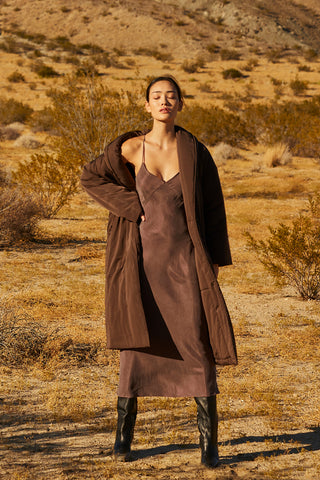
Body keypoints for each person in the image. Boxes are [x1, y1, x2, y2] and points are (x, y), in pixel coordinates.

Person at [80, 75, 237, 469]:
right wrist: (131, 206)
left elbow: (214, 207)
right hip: (141, 265)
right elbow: (90, 177)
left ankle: (209, 447)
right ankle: (122, 441)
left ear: (181, 104)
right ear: (146, 106)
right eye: (156, 96)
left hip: (185, 264)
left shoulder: (195, 151)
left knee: (197, 347)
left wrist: (215, 259)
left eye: (171, 96)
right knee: (137, 348)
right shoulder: (131, 148)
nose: (164, 101)